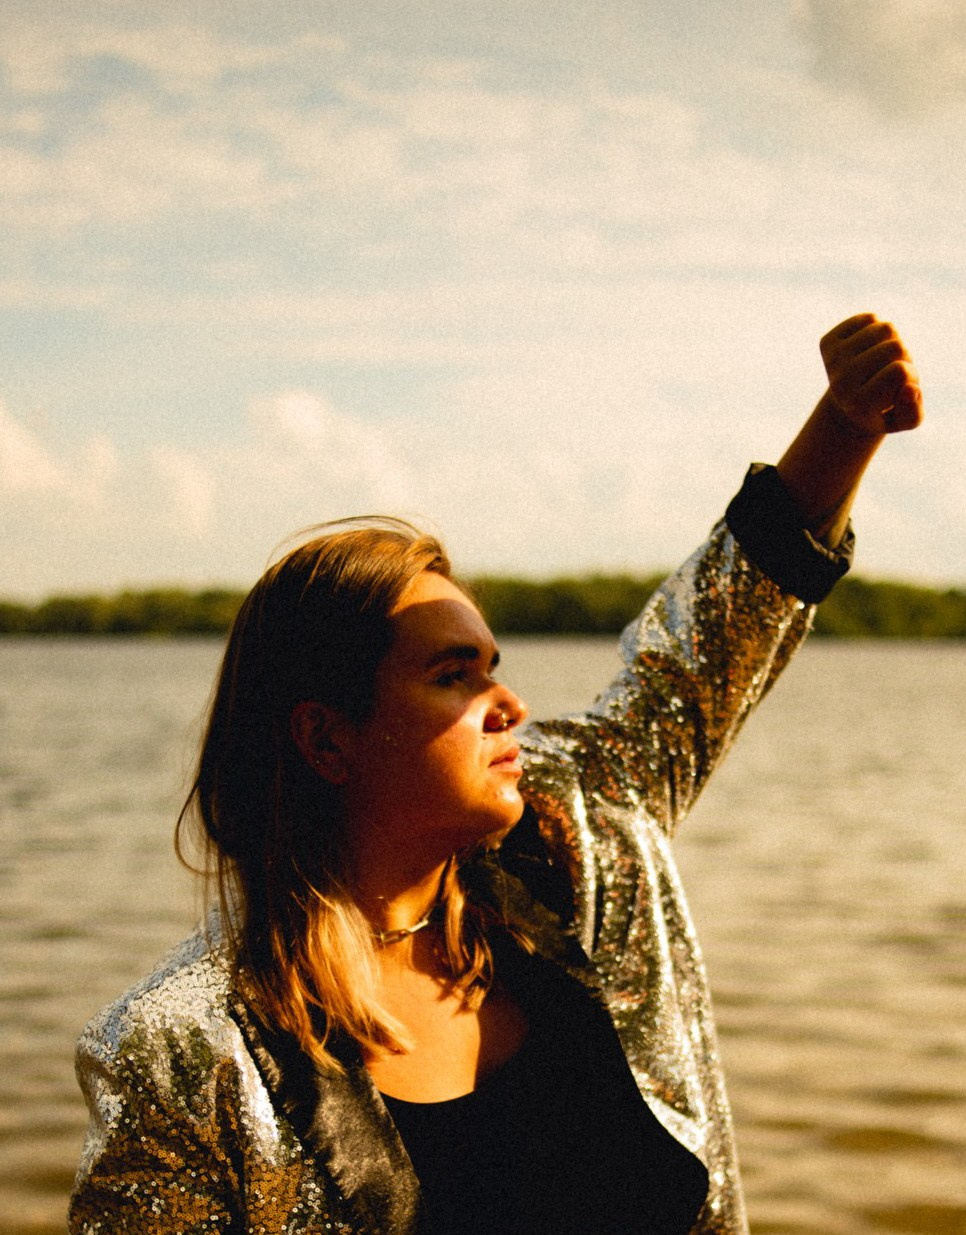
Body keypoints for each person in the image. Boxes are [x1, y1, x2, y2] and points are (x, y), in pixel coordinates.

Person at [69, 314, 922, 1235]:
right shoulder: (189, 1053)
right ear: (327, 739)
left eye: (492, 663)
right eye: (452, 676)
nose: (508, 703)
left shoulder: (574, 842)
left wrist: (844, 424)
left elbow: (703, 654)